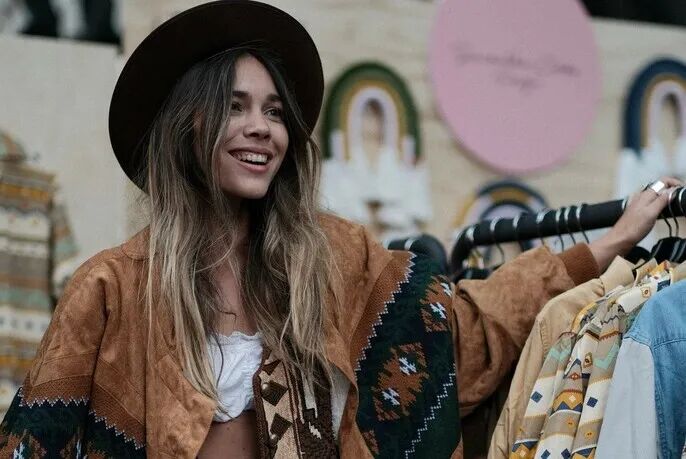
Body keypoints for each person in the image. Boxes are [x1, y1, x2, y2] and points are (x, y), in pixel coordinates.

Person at [0, 1, 679, 458]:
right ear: (188, 124)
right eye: (235, 107)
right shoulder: (112, 289)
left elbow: (461, 327)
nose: (262, 128)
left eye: (274, 111)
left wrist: (606, 245)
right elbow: (33, 442)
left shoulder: (332, 259)